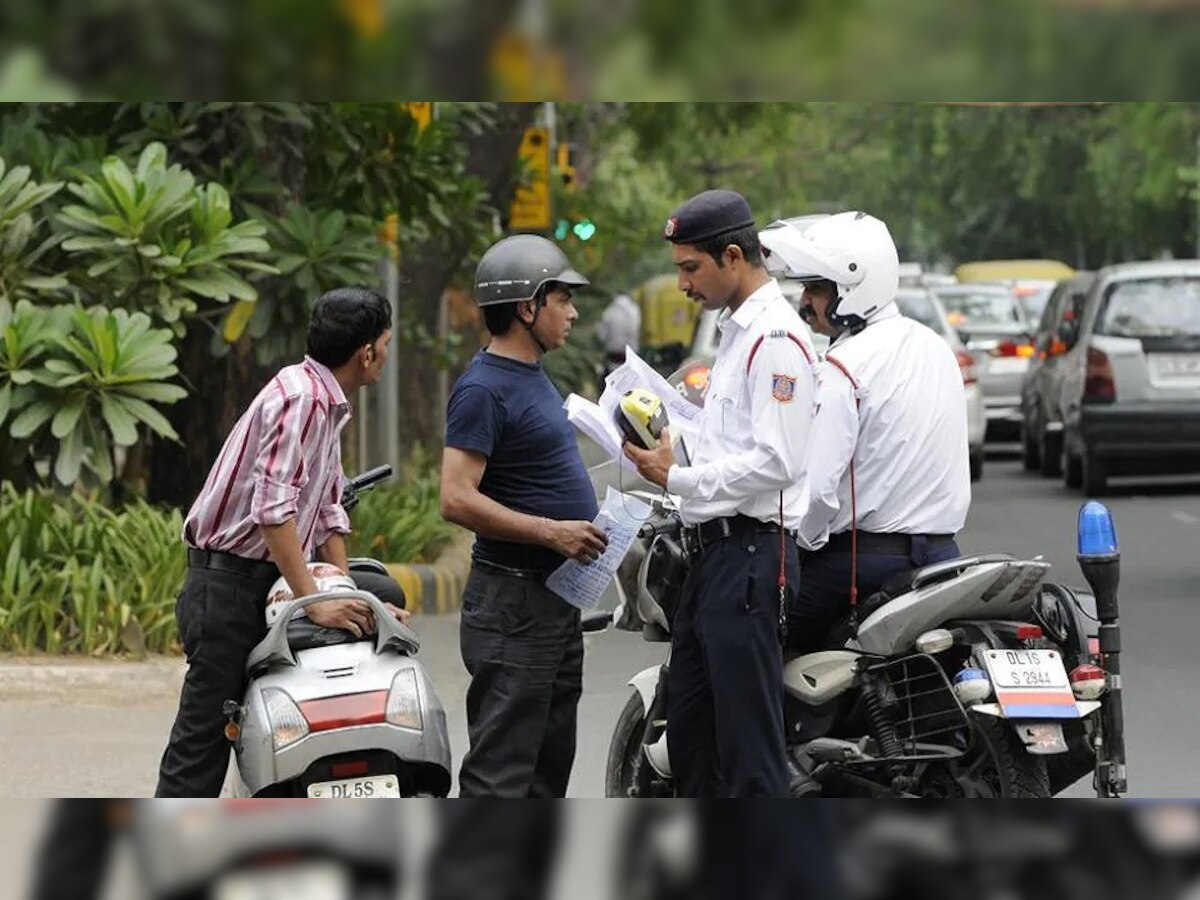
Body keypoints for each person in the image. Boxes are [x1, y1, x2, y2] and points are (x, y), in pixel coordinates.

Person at [155, 286, 409, 798]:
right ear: (367, 353)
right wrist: (315, 603)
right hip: (227, 585)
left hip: (262, 581)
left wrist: (352, 595)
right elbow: (272, 514)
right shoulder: (303, 399)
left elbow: (329, 511)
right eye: (385, 343)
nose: (386, 354)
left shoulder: (326, 401)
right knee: (202, 748)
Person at [623, 189, 816, 798]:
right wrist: (667, 437)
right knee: (693, 741)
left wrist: (674, 476)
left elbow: (776, 460)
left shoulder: (777, 341)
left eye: (690, 268)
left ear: (733, 256)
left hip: (751, 558)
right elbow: (725, 439)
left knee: (748, 750)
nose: (683, 284)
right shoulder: (736, 336)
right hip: (710, 557)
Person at [440, 233, 608, 798]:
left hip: (553, 601)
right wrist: (549, 531)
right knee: (501, 774)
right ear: (526, 307)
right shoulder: (483, 388)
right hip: (512, 605)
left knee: (547, 768)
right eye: (562, 299)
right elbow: (456, 497)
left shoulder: (532, 376)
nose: (572, 311)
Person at [758, 212, 970, 656]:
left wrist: (802, 542)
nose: (805, 302)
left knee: (754, 646)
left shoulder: (844, 366)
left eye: (815, 289)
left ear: (853, 287)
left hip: (858, 564)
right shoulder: (935, 347)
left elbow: (818, 492)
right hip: (943, 559)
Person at [597, 290, 641, 378]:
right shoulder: (635, 310)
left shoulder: (609, 312)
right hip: (632, 353)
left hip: (613, 354)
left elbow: (601, 335)